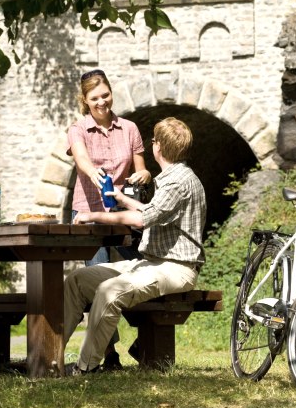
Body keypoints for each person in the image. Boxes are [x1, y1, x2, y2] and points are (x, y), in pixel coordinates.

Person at [63, 117, 206, 375]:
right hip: (151, 263)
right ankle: (47, 357)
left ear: (158, 148)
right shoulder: (174, 177)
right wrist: (120, 198)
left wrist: (91, 214)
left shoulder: (178, 182)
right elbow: (153, 210)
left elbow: (143, 219)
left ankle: (85, 368)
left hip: (176, 268)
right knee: (77, 280)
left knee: (109, 291)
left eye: (153, 140)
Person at [66, 68, 152, 370]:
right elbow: (81, 159)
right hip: (89, 210)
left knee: (146, 265)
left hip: (124, 211)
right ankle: (109, 354)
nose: (101, 102)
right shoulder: (78, 129)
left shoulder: (128, 128)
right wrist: (93, 173)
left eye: (105, 95)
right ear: (85, 101)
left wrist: (141, 174)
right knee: (97, 280)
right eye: (94, 98)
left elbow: (143, 168)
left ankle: (147, 340)